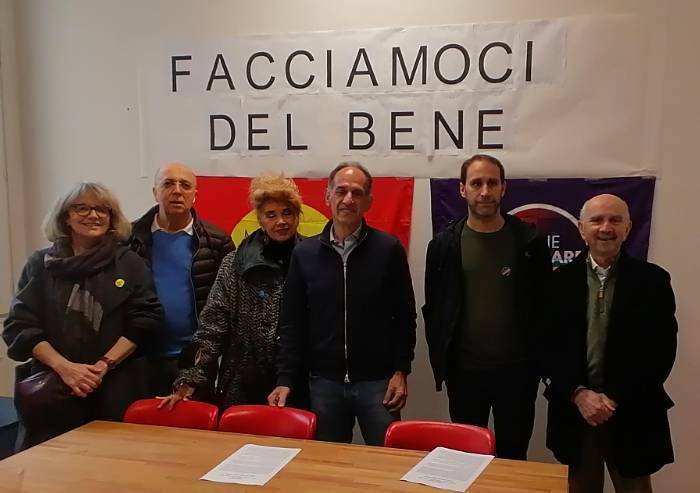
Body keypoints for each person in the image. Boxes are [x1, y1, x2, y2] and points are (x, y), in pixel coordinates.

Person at [3, 182, 162, 450]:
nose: (93, 215)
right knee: (51, 465)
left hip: (113, 386)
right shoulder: (40, 265)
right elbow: (20, 326)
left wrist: (102, 366)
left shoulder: (129, 263)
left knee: (112, 463)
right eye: (82, 208)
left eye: (102, 209)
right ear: (65, 216)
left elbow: (145, 320)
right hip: (53, 388)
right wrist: (66, 368)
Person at [268, 162, 417, 446]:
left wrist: (401, 371)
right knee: (329, 463)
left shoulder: (388, 250)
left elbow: (405, 316)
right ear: (328, 196)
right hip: (324, 384)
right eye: (341, 191)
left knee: (388, 460)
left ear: (368, 201)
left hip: (378, 383)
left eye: (356, 193)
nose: (348, 199)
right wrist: (284, 379)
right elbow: (292, 322)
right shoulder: (304, 254)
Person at [545, 194, 677, 493]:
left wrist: (612, 398)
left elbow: (660, 353)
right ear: (582, 229)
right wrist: (579, 394)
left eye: (615, 220)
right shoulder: (558, 282)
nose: (606, 227)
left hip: (632, 412)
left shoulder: (653, 282)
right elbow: (547, 347)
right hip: (576, 414)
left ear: (628, 228)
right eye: (597, 220)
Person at [423, 154, 551, 459]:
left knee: (513, 457)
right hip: (464, 373)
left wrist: (539, 364)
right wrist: (443, 363)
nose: (484, 191)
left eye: (492, 183)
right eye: (476, 183)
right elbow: (435, 309)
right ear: (462, 189)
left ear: (503, 188)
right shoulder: (443, 245)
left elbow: (545, 308)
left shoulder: (529, 242)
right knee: (467, 459)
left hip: (517, 374)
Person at [158, 172, 306, 410]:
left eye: (287, 213)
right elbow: (212, 327)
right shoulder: (235, 263)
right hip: (242, 384)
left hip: (301, 383)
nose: (281, 221)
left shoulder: (312, 260)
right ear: (260, 219)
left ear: (297, 215)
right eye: (271, 214)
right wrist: (190, 380)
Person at [128, 163, 234, 396]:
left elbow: (226, 308)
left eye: (185, 185)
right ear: (155, 192)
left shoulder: (217, 241)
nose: (177, 191)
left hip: (194, 362)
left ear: (194, 195)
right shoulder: (128, 238)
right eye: (168, 184)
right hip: (138, 359)